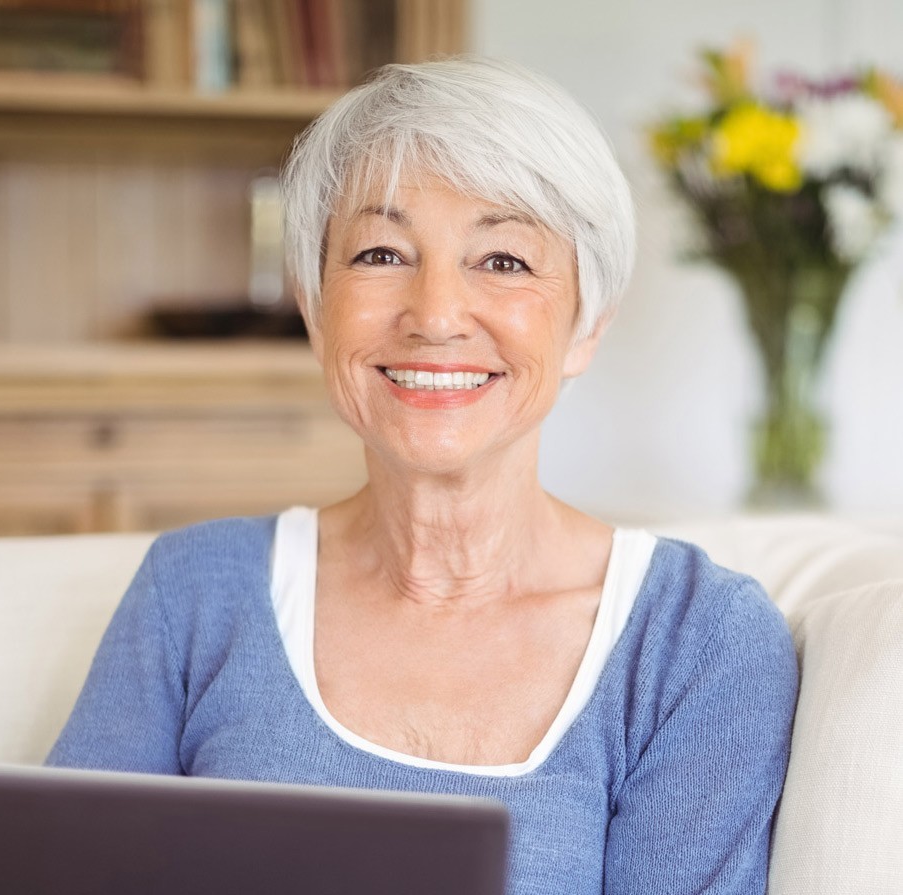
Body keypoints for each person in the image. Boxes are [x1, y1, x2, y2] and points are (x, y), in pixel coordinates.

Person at [47, 57, 798, 894]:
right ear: (314, 306)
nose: (435, 315)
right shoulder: (190, 593)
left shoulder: (698, 642)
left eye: (503, 260)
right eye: (379, 252)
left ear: (585, 323)